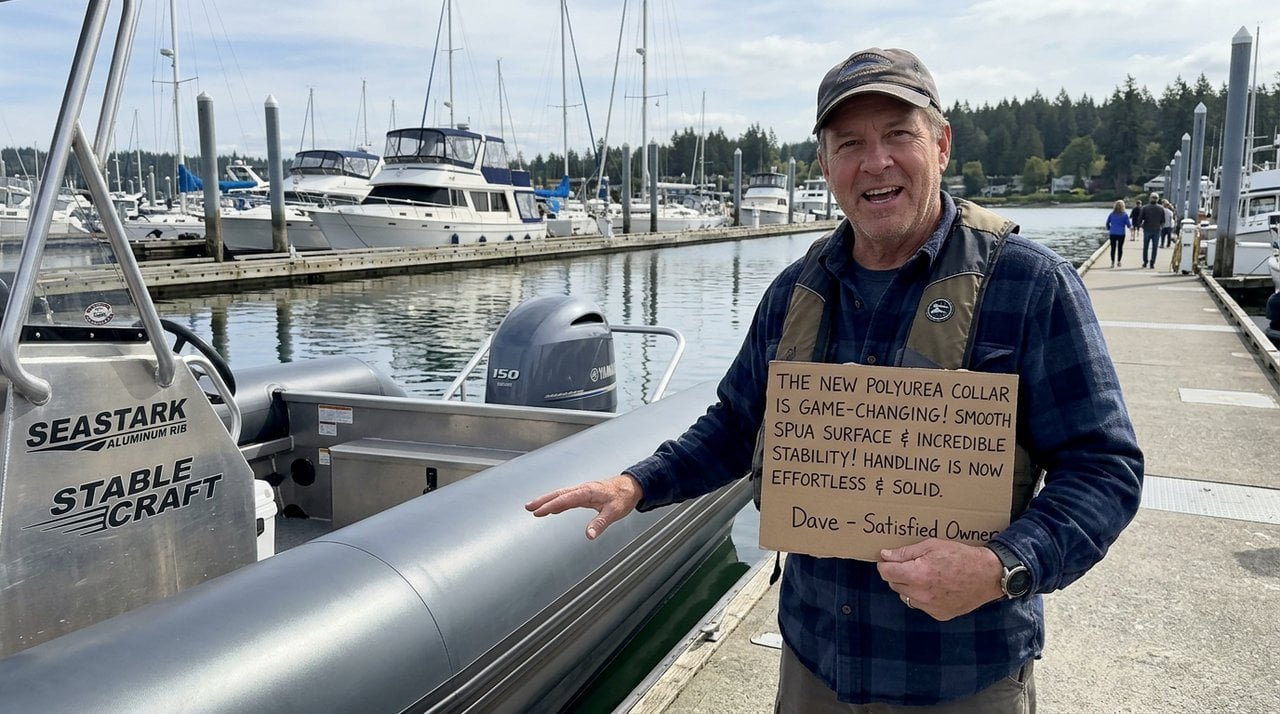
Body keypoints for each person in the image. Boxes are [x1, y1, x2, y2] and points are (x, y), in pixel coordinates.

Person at [527, 47, 1143, 712]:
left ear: (941, 144)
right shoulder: (796, 290)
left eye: (898, 135)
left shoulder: (1031, 286)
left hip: (960, 678)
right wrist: (638, 481)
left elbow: (1104, 468)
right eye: (850, 143)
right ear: (825, 165)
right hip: (815, 664)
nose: (874, 162)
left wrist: (1005, 566)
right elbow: (737, 423)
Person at [1135, 192, 1166, 268]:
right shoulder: (1161, 208)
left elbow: (1140, 219)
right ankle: (1152, 262)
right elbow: (1163, 220)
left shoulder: (1145, 208)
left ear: (1150, 198)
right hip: (1157, 230)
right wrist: (1160, 226)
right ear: (1157, 199)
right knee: (1154, 248)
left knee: (1145, 246)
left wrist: (1139, 226)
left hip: (1147, 229)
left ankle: (1145, 262)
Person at [1105, 199, 1131, 267]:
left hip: (1113, 233)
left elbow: (1107, 223)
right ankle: (1119, 261)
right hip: (1121, 233)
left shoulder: (1112, 214)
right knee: (1120, 248)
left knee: (1113, 248)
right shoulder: (1125, 215)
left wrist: (1109, 228)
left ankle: (1112, 262)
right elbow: (1128, 225)